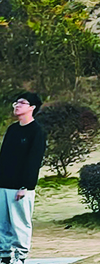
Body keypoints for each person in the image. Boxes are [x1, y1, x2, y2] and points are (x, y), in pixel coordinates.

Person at [0, 92, 47, 264]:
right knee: (2, 223)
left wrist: (25, 186)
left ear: (32, 107)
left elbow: (34, 161)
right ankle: (4, 255)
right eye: (16, 103)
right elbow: (3, 156)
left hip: (21, 187)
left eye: (21, 102)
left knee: (20, 223)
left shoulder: (37, 131)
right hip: (3, 184)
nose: (17, 105)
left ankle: (20, 256)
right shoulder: (12, 129)